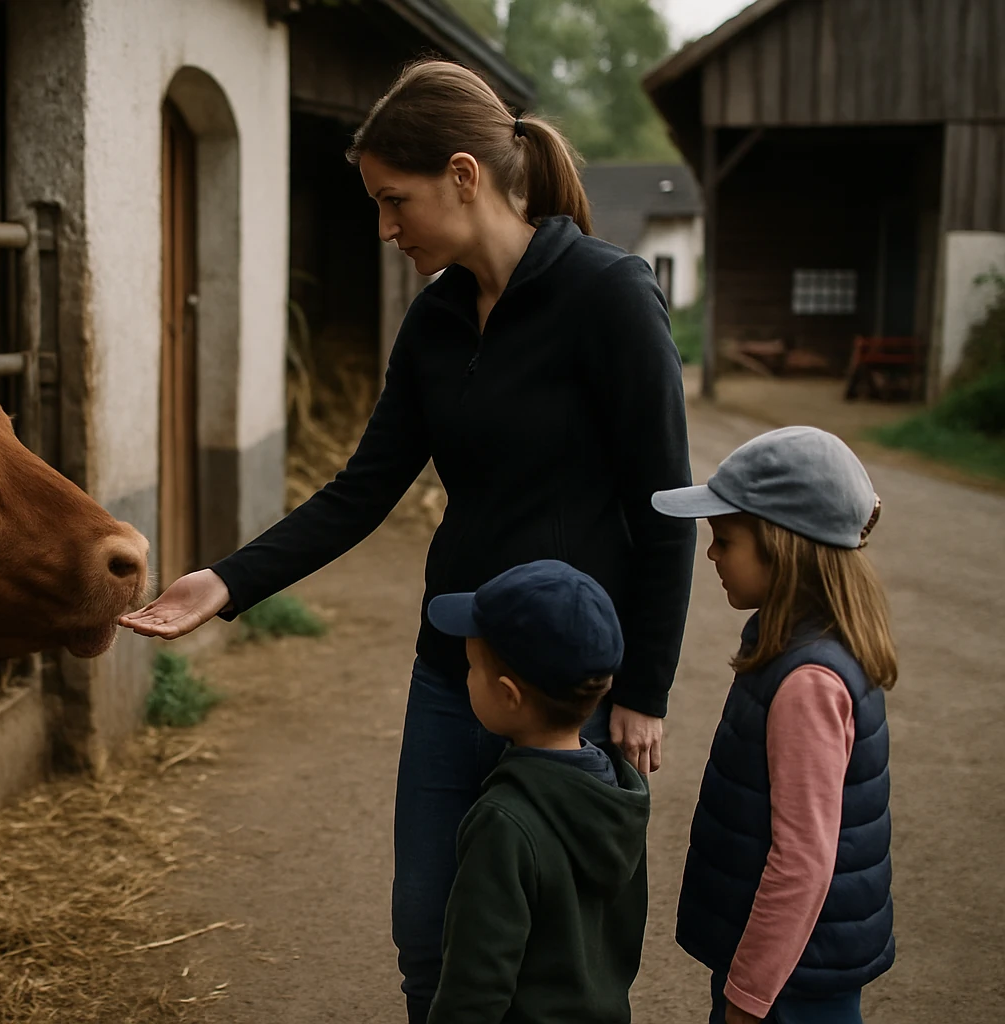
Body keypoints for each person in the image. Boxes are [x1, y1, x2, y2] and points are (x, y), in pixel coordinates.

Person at [121, 58, 695, 1020]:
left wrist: (646, 689)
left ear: (464, 176)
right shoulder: (433, 320)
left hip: (564, 689)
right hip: (452, 671)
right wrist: (224, 583)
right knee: (427, 943)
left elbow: (666, 507)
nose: (385, 230)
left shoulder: (609, 297)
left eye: (396, 201)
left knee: (554, 968)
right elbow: (359, 491)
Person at [652, 426, 897, 1024]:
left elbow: (803, 861)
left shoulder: (807, 681)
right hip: (789, 967)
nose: (711, 553)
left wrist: (750, 994)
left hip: (790, 983)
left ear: (782, 547)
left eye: (725, 539)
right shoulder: (791, 641)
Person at [423, 560, 650, 1024]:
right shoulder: (620, 795)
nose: (466, 677)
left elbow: (476, 984)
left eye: (471, 667)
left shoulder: (503, 822)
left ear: (508, 694)